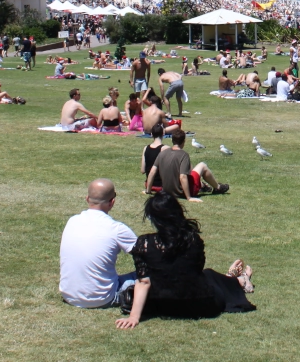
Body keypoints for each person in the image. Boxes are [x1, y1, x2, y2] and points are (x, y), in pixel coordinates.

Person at [114, 192, 255, 329]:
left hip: (162, 305)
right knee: (210, 275)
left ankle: (235, 279)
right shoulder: (193, 239)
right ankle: (237, 280)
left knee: (209, 276)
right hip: (200, 305)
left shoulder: (144, 243)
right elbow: (197, 270)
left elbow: (144, 282)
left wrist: (134, 317)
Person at [59, 179, 138, 308]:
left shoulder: (72, 221)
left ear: (87, 199)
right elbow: (147, 254)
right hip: (102, 298)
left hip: (69, 295)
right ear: (112, 202)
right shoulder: (116, 229)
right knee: (149, 275)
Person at [145, 130, 229, 201]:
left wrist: (148, 191)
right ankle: (217, 187)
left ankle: (206, 187)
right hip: (181, 192)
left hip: (166, 191)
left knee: (196, 169)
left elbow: (152, 172)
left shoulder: (162, 153)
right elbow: (183, 177)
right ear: (183, 142)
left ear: (172, 140)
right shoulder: (183, 155)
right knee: (202, 165)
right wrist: (189, 197)